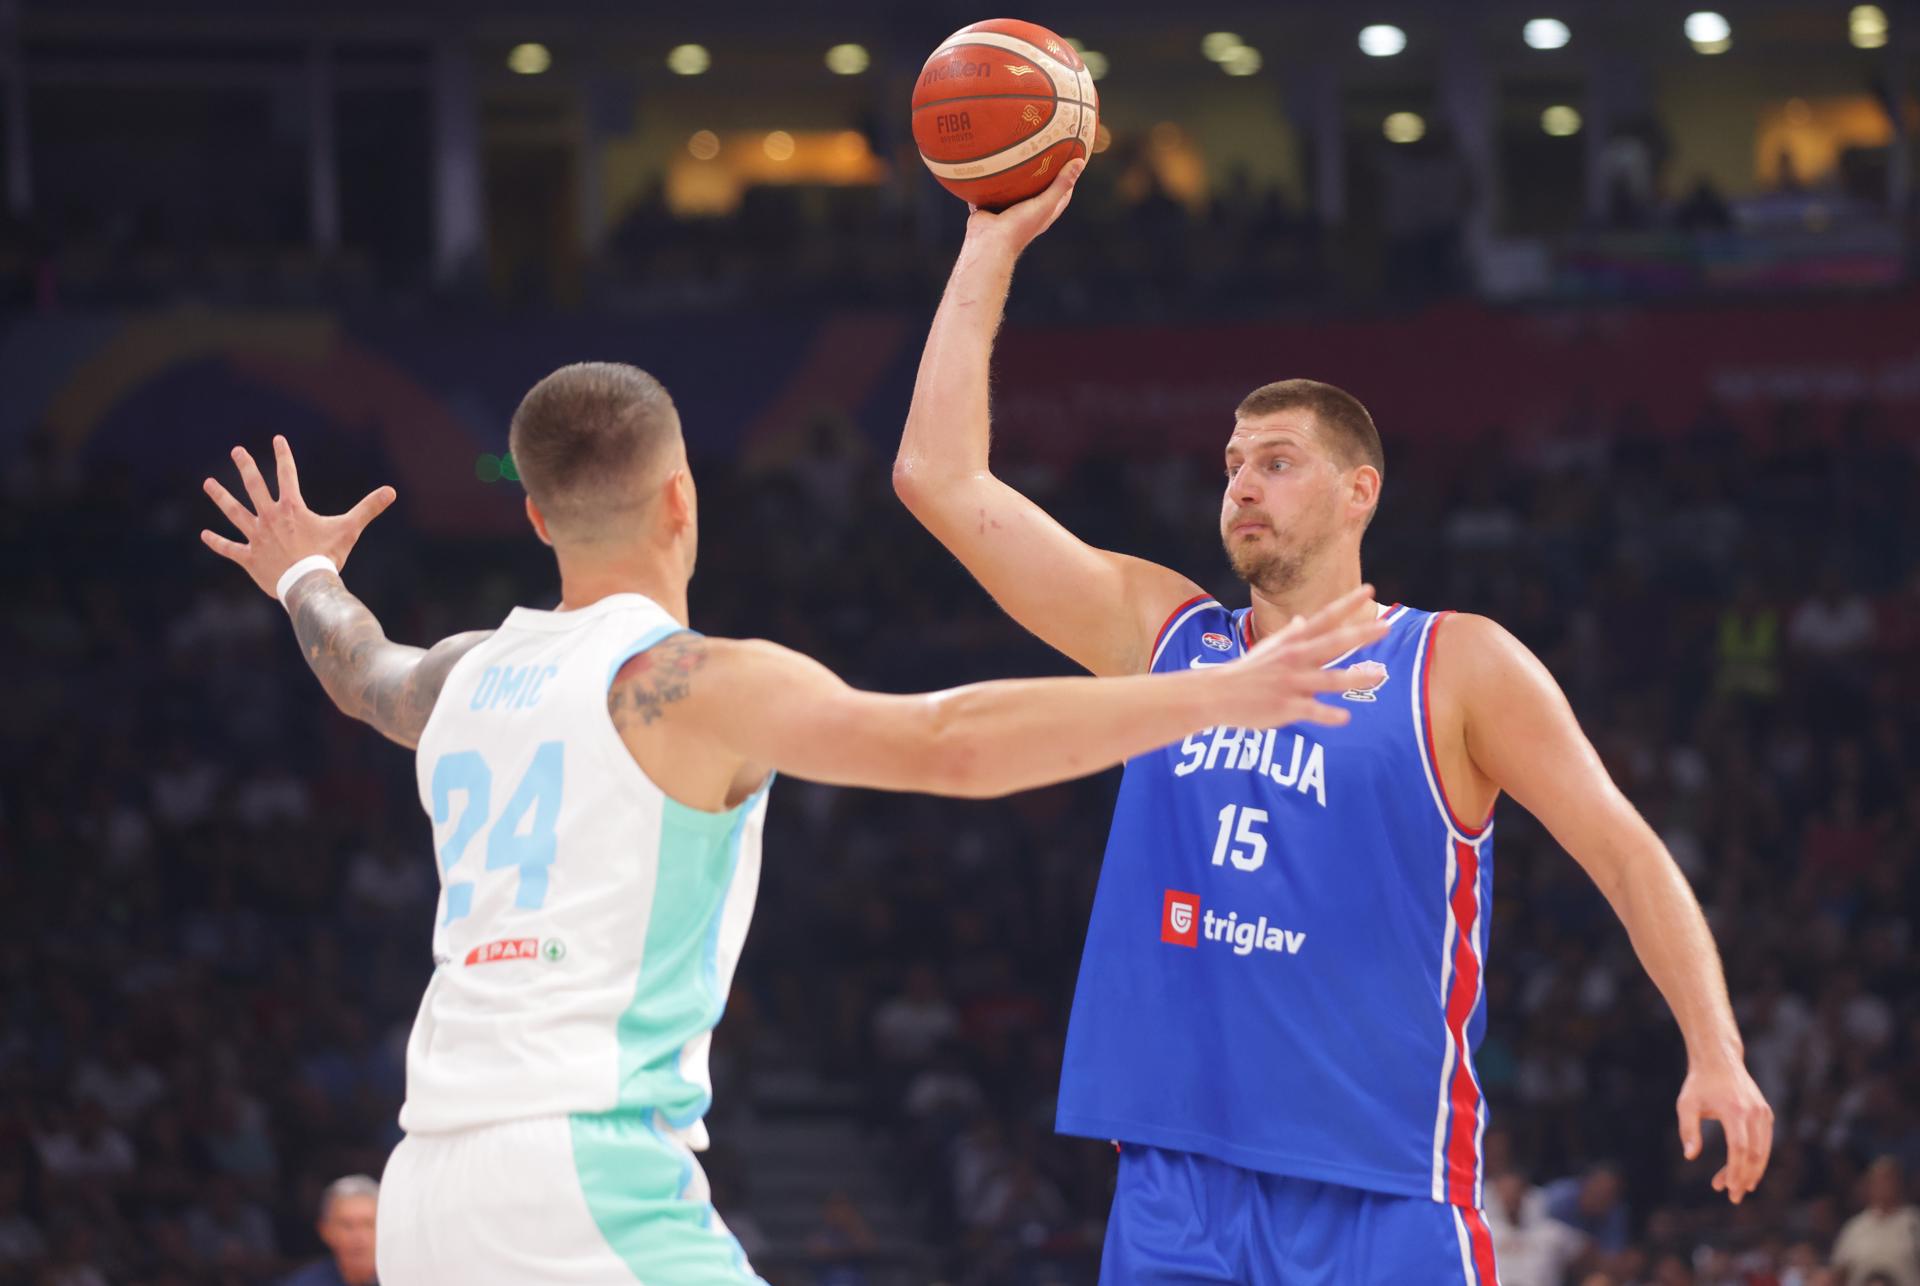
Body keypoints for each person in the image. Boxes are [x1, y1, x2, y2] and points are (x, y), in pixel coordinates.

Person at [198, 366, 1386, 1285]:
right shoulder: (686, 678)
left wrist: (304, 575)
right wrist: (1219, 692)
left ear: (542, 518)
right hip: (583, 1170)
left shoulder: (461, 676)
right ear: (682, 498)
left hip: (424, 1192)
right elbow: (946, 741)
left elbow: (360, 667)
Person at [892, 158, 1774, 1284]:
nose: (1242, 486)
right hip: (1177, 1187)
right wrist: (989, 245)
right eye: (1230, 465)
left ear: (1360, 491)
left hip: (1382, 1189)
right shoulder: (1165, 639)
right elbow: (938, 477)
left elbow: (1622, 844)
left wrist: (1716, 1045)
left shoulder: (1453, 663)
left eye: (1277, 462)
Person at [1831, 1158, 1920, 1286]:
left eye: (1889, 1179)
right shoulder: (1855, 1227)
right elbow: (1839, 1272)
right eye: (1878, 1180)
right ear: (1870, 1185)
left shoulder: (1914, 1221)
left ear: (1900, 1183)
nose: (1884, 1185)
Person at [280, 1175, 378, 1286]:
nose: (359, 1237)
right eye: (347, 1225)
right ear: (325, 1231)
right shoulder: (302, 1283)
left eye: (368, 1224)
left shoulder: (401, 1279)